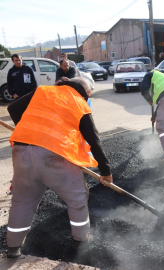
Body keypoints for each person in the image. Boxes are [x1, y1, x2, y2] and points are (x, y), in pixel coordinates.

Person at [5, 77, 112, 258]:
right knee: (77, 195)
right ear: (85, 93)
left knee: (22, 201)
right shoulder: (79, 103)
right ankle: (81, 240)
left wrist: (32, 132)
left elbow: (13, 108)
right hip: (53, 155)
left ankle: (13, 248)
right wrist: (106, 171)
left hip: (21, 153)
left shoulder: (43, 91)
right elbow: (94, 139)